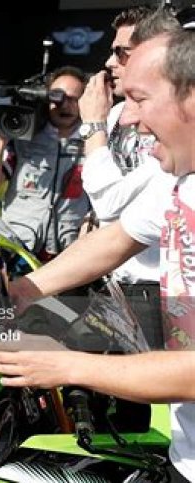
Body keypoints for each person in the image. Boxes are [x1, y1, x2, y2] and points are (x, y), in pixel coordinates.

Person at [0, 9, 195, 483]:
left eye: (139, 100)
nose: (130, 121)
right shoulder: (178, 179)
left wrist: (67, 366)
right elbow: (116, 238)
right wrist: (21, 291)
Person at [79, 5, 164, 348]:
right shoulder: (114, 114)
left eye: (121, 53)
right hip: (115, 282)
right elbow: (103, 206)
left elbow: (111, 204)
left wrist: (93, 126)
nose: (109, 63)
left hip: (160, 292)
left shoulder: (175, 120)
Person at [0, 66, 89, 263]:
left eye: (74, 99)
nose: (65, 105)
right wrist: (2, 141)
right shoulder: (23, 138)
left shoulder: (95, 141)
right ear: (46, 99)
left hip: (68, 254)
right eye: (58, 98)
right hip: (19, 252)